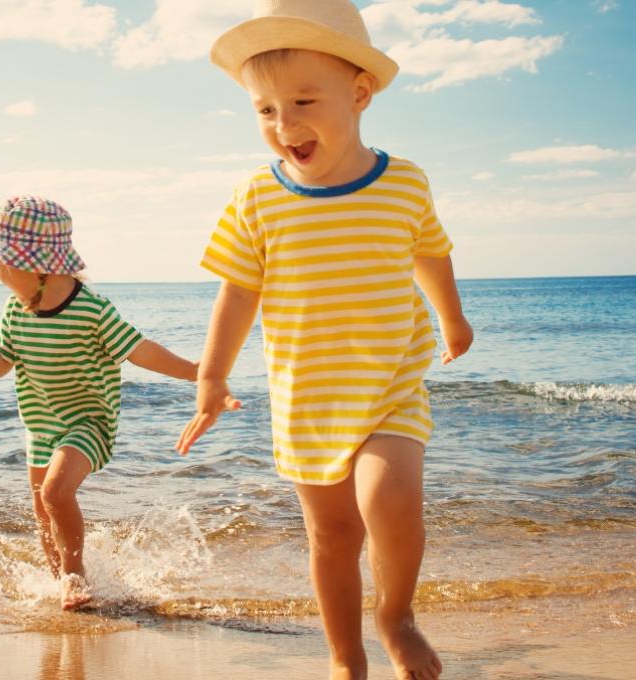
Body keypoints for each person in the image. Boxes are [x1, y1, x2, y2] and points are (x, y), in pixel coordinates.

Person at [175, 2, 473, 678]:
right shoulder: (257, 198)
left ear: (359, 93)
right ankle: (344, 657)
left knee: (389, 500)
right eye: (266, 110)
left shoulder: (404, 182)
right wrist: (211, 377)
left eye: (303, 100)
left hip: (392, 386)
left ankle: (396, 615)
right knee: (332, 536)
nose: (285, 125)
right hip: (307, 400)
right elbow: (238, 293)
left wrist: (451, 319)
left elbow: (431, 253)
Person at [0, 195, 198, 610]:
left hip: (88, 422)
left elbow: (138, 349)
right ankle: (60, 583)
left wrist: (192, 371)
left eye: (1, 262)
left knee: (56, 494)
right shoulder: (14, 311)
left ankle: (76, 575)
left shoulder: (91, 310)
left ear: (36, 265)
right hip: (41, 425)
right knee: (44, 512)